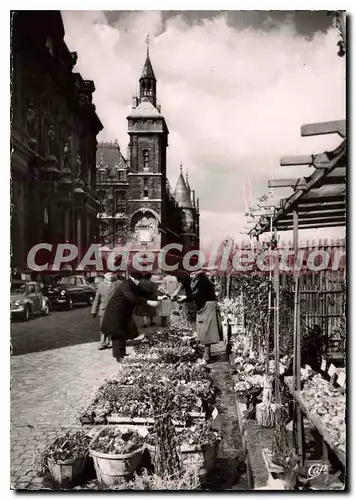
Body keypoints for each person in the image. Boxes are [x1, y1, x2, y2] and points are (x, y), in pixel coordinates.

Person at [100, 268, 161, 362]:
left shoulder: (132, 284)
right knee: (118, 334)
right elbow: (132, 298)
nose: (139, 283)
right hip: (116, 313)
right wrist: (148, 302)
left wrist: (158, 297)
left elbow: (143, 293)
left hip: (123, 313)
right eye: (138, 281)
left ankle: (121, 354)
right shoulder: (126, 285)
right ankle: (119, 357)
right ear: (134, 279)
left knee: (122, 333)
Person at [177, 270, 223, 363]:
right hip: (204, 306)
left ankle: (206, 356)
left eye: (193, 273)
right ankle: (207, 354)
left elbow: (198, 294)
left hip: (208, 306)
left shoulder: (203, 281)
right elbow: (191, 293)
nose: (191, 275)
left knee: (206, 330)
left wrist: (185, 298)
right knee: (204, 329)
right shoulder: (197, 280)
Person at [91, 272, 118, 350]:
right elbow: (97, 299)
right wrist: (94, 310)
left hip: (115, 309)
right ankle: (103, 343)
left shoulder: (118, 284)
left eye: (111, 274)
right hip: (103, 310)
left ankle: (114, 342)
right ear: (105, 276)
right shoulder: (101, 285)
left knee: (115, 326)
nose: (110, 276)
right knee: (103, 327)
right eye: (108, 274)